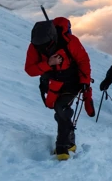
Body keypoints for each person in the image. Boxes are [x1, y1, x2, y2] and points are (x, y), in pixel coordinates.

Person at [25, 17, 93, 161]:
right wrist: (49, 63)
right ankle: (71, 139)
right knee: (60, 112)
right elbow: (29, 70)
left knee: (61, 107)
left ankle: (62, 147)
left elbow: (83, 60)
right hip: (53, 84)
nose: (43, 48)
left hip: (72, 82)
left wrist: (85, 82)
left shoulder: (70, 42)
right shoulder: (35, 46)